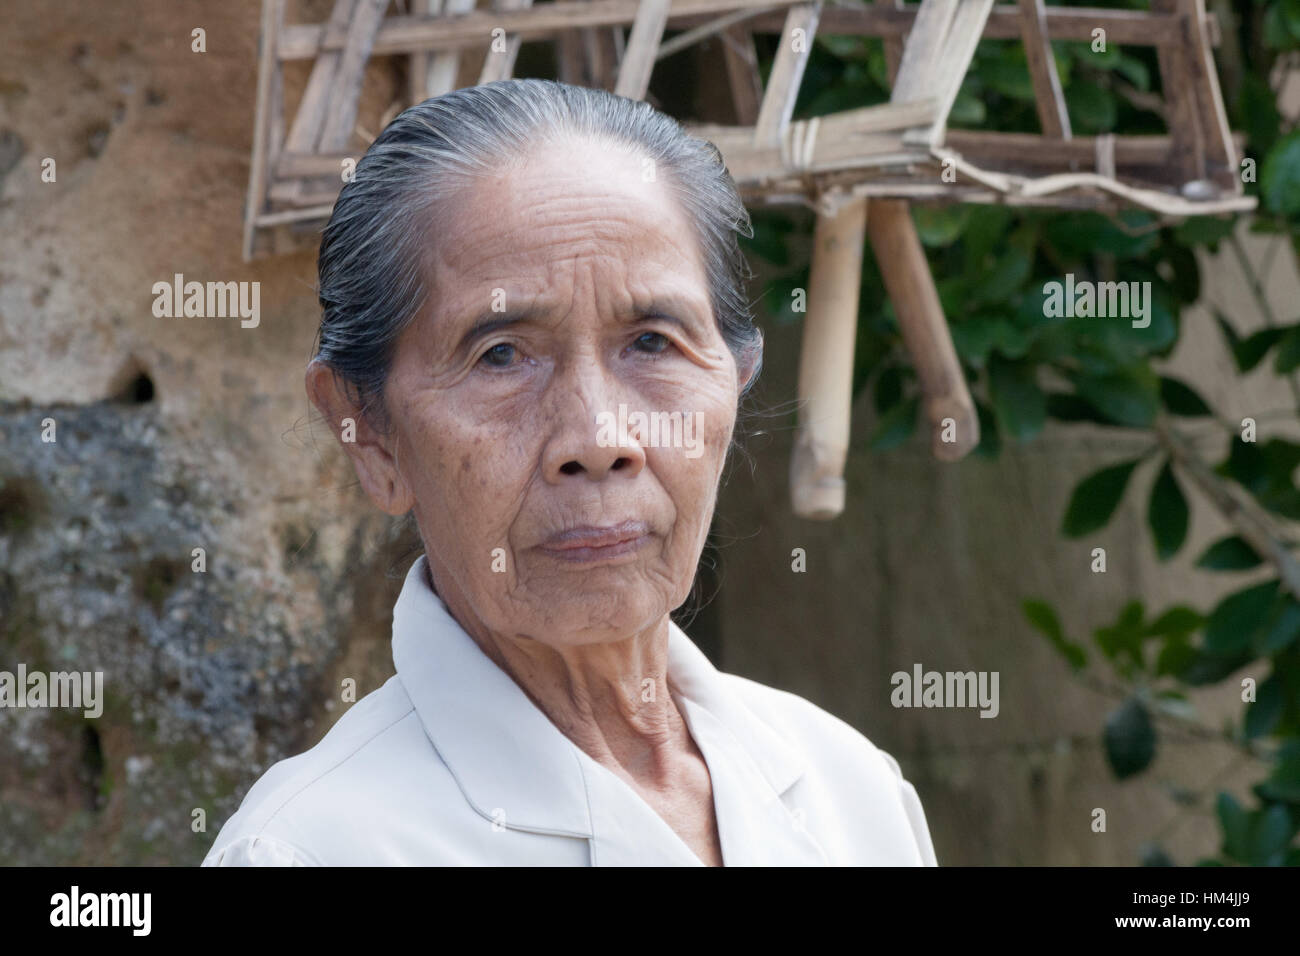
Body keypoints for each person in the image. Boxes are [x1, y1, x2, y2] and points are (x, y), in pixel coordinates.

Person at [203, 78, 938, 866]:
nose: (598, 437)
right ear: (369, 434)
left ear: (734, 374)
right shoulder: (311, 851)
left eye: (653, 342)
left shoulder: (852, 793)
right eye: (501, 355)